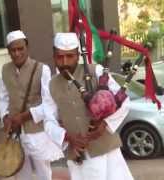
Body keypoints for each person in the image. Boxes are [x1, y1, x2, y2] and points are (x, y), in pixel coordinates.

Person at [44, 32, 134, 180]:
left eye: (70, 56)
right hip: (78, 155)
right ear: (54, 57)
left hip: (107, 151)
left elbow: (123, 101)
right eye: (60, 57)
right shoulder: (51, 85)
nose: (64, 62)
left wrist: (105, 124)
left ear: (78, 55)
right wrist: (68, 137)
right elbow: (48, 121)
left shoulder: (95, 72)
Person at [0, 30, 64, 180]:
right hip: (15, 132)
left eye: (20, 49)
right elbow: (2, 98)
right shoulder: (3, 71)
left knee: (43, 173)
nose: (17, 53)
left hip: (37, 131)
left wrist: (26, 115)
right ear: (8, 51)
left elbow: (49, 102)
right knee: (20, 173)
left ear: (27, 47)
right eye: (13, 50)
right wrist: (5, 117)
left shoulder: (41, 69)